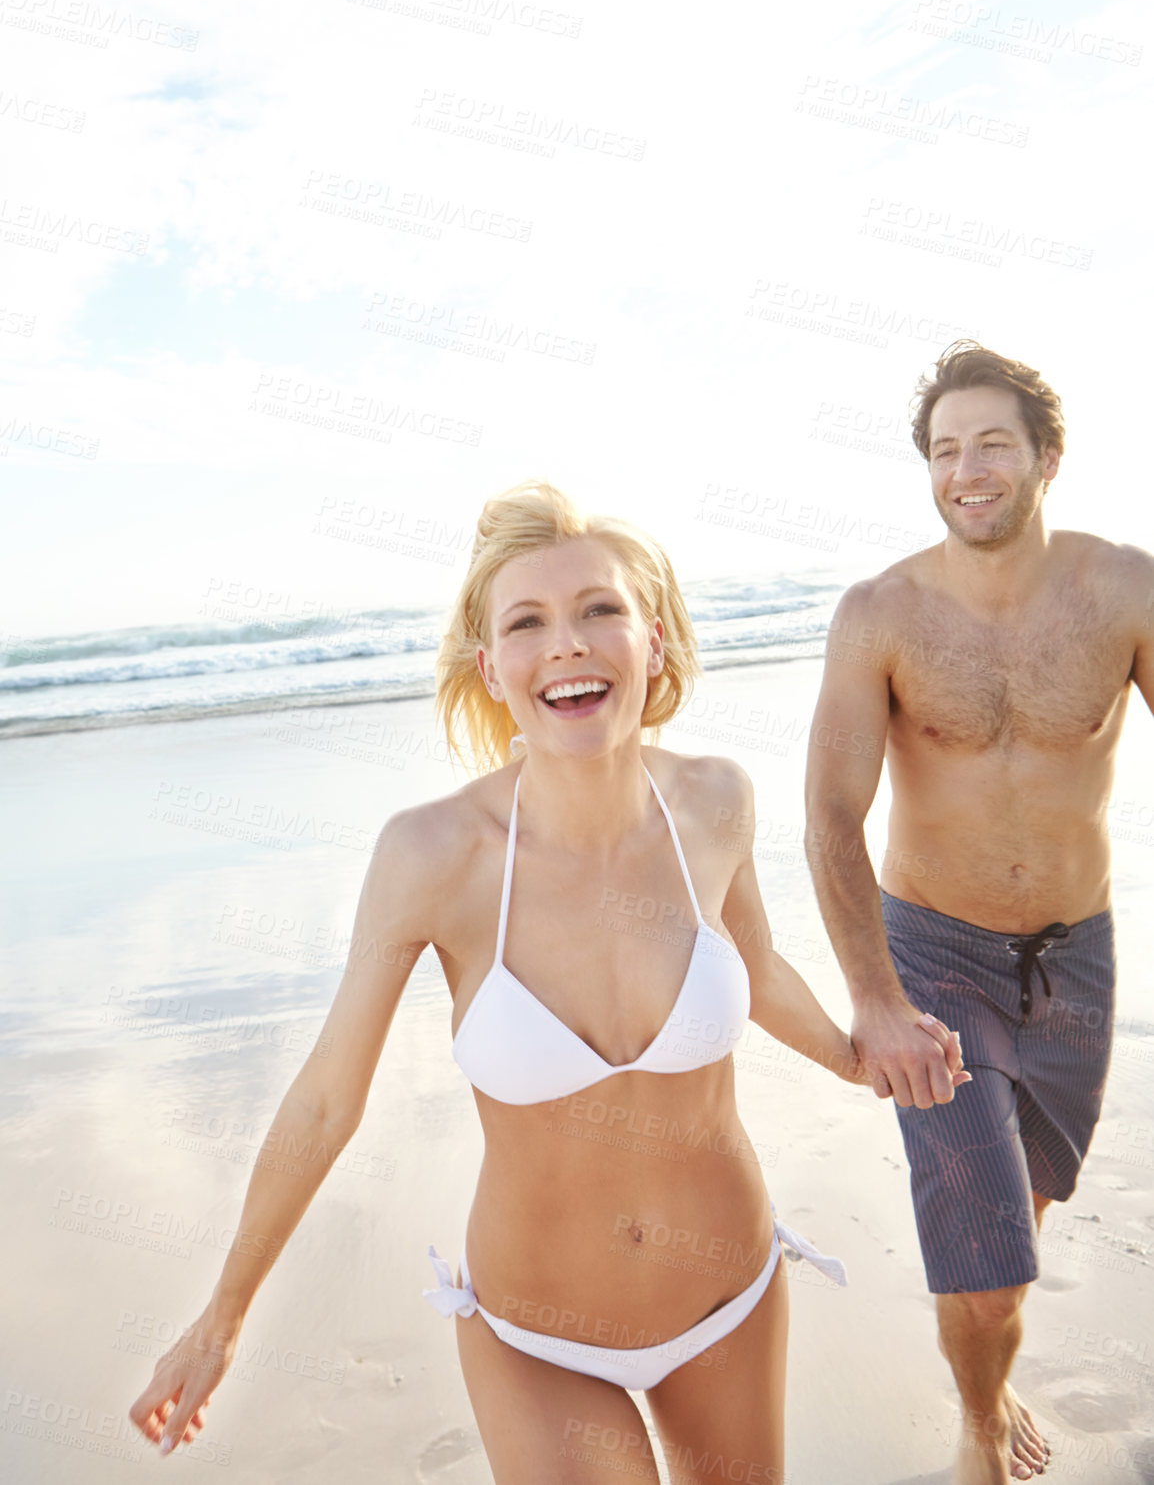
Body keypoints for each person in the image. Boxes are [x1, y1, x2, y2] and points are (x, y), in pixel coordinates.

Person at [129, 481, 964, 1482]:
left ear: (652, 639)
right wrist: (222, 1315)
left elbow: (755, 966)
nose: (565, 641)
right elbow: (323, 1100)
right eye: (526, 622)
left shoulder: (713, 801)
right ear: (491, 667)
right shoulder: (432, 856)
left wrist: (856, 1053)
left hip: (726, 1301)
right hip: (536, 1337)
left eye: (598, 609)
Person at [804, 342, 1154, 1485]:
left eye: (990, 443)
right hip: (932, 959)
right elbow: (828, 820)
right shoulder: (879, 614)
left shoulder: (1124, 589)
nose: (966, 469)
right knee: (987, 1263)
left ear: (1046, 457)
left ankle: (988, 1375)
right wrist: (874, 998)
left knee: (1026, 1206)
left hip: (1077, 961)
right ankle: (975, 1429)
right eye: (944, 450)